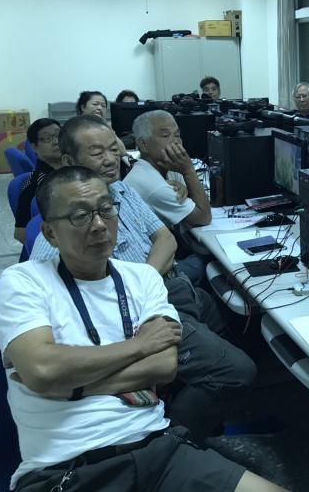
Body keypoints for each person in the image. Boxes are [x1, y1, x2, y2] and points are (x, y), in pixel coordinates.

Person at [0, 166, 283, 492]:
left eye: (106, 209)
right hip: (68, 469)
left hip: (158, 449)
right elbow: (43, 370)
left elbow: (164, 365)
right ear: (49, 233)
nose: (99, 225)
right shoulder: (24, 282)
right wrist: (138, 346)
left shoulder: (143, 277)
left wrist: (70, 386)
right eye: (80, 216)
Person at [30, 116, 256, 441]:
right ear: (68, 162)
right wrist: (142, 294)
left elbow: (166, 239)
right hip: (143, 315)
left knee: (220, 315)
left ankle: (211, 413)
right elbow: (54, 335)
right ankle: (170, 440)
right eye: (97, 153)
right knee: (235, 370)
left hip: (167, 286)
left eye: (113, 149)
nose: (110, 159)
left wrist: (144, 281)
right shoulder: (56, 244)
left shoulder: (120, 189)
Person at [124, 110, 212, 285]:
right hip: (151, 272)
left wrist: (184, 184)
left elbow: (194, 197)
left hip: (157, 257)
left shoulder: (164, 167)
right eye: (165, 136)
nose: (175, 141)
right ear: (143, 145)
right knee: (210, 260)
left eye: (177, 135)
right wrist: (188, 170)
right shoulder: (151, 182)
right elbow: (203, 217)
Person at [13, 118, 62, 243]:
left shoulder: (76, 168)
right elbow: (20, 233)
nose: (56, 141)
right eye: (47, 138)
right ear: (34, 146)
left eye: (59, 135)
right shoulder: (35, 185)